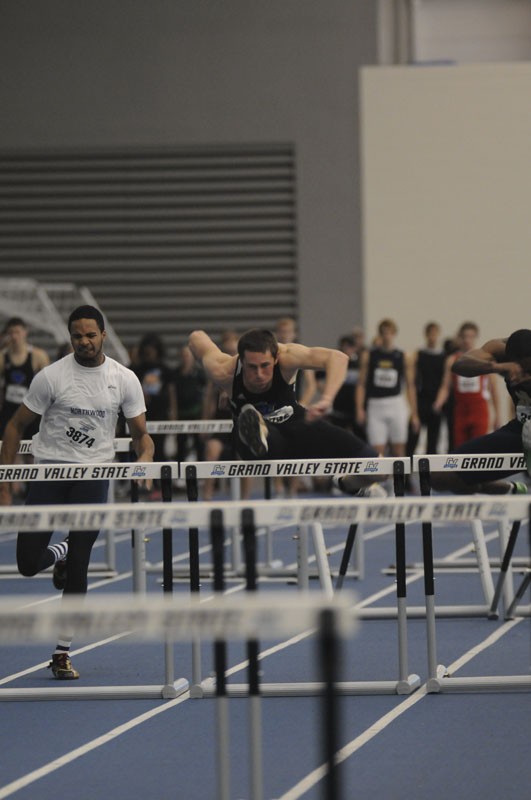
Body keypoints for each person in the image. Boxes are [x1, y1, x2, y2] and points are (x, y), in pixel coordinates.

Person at [0, 305, 154, 679]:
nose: (84, 342)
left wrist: (144, 460)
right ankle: (62, 549)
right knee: (26, 564)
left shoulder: (123, 378)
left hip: (93, 476)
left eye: (90, 335)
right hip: (50, 473)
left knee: (82, 565)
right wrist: (7, 482)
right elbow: (14, 427)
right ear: (70, 339)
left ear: (103, 335)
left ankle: (62, 651)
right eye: (77, 336)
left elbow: (141, 435)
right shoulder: (51, 377)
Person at [188, 327, 384, 496]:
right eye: (251, 367)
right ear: (241, 361)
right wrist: (225, 387)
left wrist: (327, 398)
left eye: (265, 366)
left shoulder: (287, 355)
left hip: (297, 426)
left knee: (380, 469)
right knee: (250, 421)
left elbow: (338, 358)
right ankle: (257, 429)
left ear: (276, 358)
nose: (259, 374)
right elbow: (196, 338)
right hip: (256, 445)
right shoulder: (224, 370)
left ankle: (347, 483)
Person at [431, 328, 531, 494]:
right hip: (519, 429)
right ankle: (510, 489)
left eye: (528, 368)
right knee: (440, 475)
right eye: (519, 367)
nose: (523, 372)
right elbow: (460, 364)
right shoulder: (500, 348)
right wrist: (496, 366)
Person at [356, 318, 419, 458]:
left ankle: (400, 480)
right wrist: (359, 408)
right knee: (378, 452)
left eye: (390, 333)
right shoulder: (369, 355)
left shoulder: (403, 356)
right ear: (379, 334)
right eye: (384, 333)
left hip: (396, 404)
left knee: (398, 450)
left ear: (394, 334)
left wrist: (414, 413)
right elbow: (361, 384)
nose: (387, 336)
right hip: (375, 405)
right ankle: (381, 480)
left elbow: (410, 386)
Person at [433, 322, 501, 449]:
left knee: (478, 448)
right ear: (460, 338)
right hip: (460, 411)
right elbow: (445, 386)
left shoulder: (485, 359)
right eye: (464, 337)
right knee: (461, 449)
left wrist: (497, 415)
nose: (467, 340)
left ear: (476, 338)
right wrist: (439, 401)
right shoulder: (452, 360)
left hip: (479, 409)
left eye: (471, 337)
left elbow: (493, 389)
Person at [0, 317, 50, 439]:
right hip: (9, 409)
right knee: (5, 449)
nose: (14, 336)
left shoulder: (38, 356)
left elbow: (49, 385)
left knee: (30, 451)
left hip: (30, 408)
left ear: (25, 332)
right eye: (11, 333)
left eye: (17, 332)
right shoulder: (2, 356)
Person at [133, 333, 176, 467]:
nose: (149, 354)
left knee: (160, 449)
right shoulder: (136, 370)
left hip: (160, 414)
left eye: (151, 351)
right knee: (141, 448)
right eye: (146, 352)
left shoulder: (165, 370)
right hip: (142, 415)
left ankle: (158, 481)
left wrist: (173, 414)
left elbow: (171, 393)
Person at [407, 322, 446, 456]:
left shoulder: (443, 357)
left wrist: (439, 402)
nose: (432, 337)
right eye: (430, 334)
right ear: (426, 335)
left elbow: (445, 384)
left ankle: (431, 475)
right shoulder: (418, 355)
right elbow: (411, 383)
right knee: (412, 438)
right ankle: (407, 474)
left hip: (435, 402)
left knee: (433, 443)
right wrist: (414, 412)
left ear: (438, 335)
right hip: (421, 401)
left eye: (435, 334)